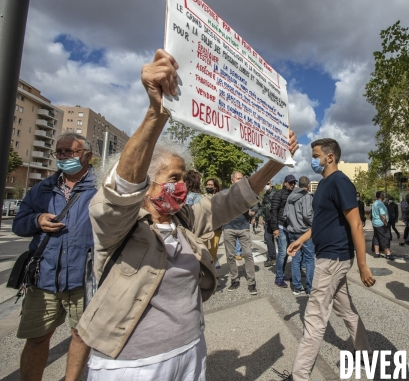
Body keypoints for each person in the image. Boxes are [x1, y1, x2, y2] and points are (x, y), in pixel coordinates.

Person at [76, 50, 298, 380]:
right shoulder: (119, 223)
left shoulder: (184, 220)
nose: (182, 187)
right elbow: (121, 189)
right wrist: (157, 112)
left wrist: (276, 162)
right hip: (133, 365)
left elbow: (232, 200)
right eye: (173, 179)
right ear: (146, 184)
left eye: (184, 178)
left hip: (190, 351)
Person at [284, 138, 375, 381]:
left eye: (315, 155)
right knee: (347, 311)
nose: (312, 160)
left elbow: (356, 223)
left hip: (333, 260)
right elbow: (321, 223)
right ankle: (366, 354)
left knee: (314, 318)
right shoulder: (323, 184)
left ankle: (298, 376)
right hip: (326, 256)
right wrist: (302, 239)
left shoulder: (341, 182)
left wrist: (363, 265)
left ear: (330, 157)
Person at [12, 133, 96, 381]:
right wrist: (36, 220)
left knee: (81, 336)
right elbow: (18, 224)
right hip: (44, 278)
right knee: (36, 338)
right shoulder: (42, 188)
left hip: (84, 278)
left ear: (87, 156)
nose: (63, 157)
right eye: (59, 152)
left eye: (71, 152)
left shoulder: (102, 187)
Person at [223, 171, 258, 293]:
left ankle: (252, 282)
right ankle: (234, 280)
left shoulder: (246, 192)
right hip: (229, 228)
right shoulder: (224, 193)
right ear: (232, 180)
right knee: (230, 256)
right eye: (238, 179)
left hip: (243, 227)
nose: (241, 181)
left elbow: (255, 203)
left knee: (248, 255)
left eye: (242, 179)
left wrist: (253, 211)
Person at [284, 176, 314, 295]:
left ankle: (297, 287)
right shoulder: (307, 196)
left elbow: (285, 214)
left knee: (295, 259)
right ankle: (309, 288)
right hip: (305, 232)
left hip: (292, 231)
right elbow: (307, 215)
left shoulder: (290, 196)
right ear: (308, 185)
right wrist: (314, 224)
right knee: (310, 259)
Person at [271, 174, 297, 288]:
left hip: (290, 227)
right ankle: (279, 278)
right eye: (290, 183)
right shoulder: (278, 194)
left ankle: (282, 273)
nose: (292, 185)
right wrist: (275, 228)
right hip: (281, 226)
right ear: (285, 183)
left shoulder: (294, 194)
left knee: (287, 252)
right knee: (282, 253)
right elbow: (274, 211)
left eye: (294, 183)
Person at [256, 181, 277, 267]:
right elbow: (262, 208)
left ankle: (282, 260)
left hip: (276, 221)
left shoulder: (276, 194)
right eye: (265, 183)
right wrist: (257, 216)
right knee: (268, 239)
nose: (266, 185)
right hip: (268, 221)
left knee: (281, 241)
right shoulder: (265, 196)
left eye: (267, 183)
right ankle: (272, 257)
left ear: (271, 184)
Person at [203, 178, 221, 265]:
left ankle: (212, 273)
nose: (208, 186)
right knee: (204, 251)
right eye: (207, 185)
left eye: (210, 185)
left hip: (216, 228)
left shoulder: (219, 197)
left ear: (215, 187)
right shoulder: (203, 197)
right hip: (204, 229)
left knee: (213, 252)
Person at [371, 191, 394, 260]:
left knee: (376, 237)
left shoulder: (375, 203)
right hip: (381, 223)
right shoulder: (380, 204)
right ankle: (388, 253)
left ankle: (377, 253)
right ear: (381, 196)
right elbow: (382, 215)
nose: (384, 195)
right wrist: (386, 223)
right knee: (386, 237)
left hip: (375, 223)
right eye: (383, 194)